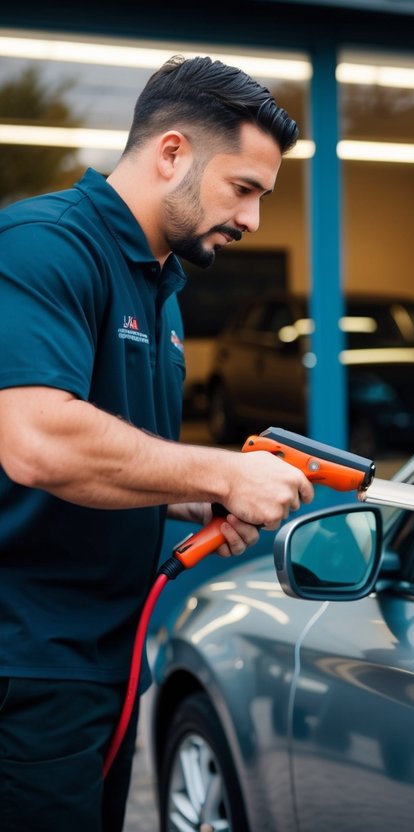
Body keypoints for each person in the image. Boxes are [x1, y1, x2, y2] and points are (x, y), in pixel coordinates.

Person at [0, 55, 315, 831]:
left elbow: (113, 455)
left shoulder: (162, 285)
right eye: (243, 189)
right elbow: (36, 440)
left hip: (106, 663)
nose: (252, 220)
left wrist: (190, 493)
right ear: (171, 152)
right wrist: (222, 470)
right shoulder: (41, 247)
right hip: (26, 664)